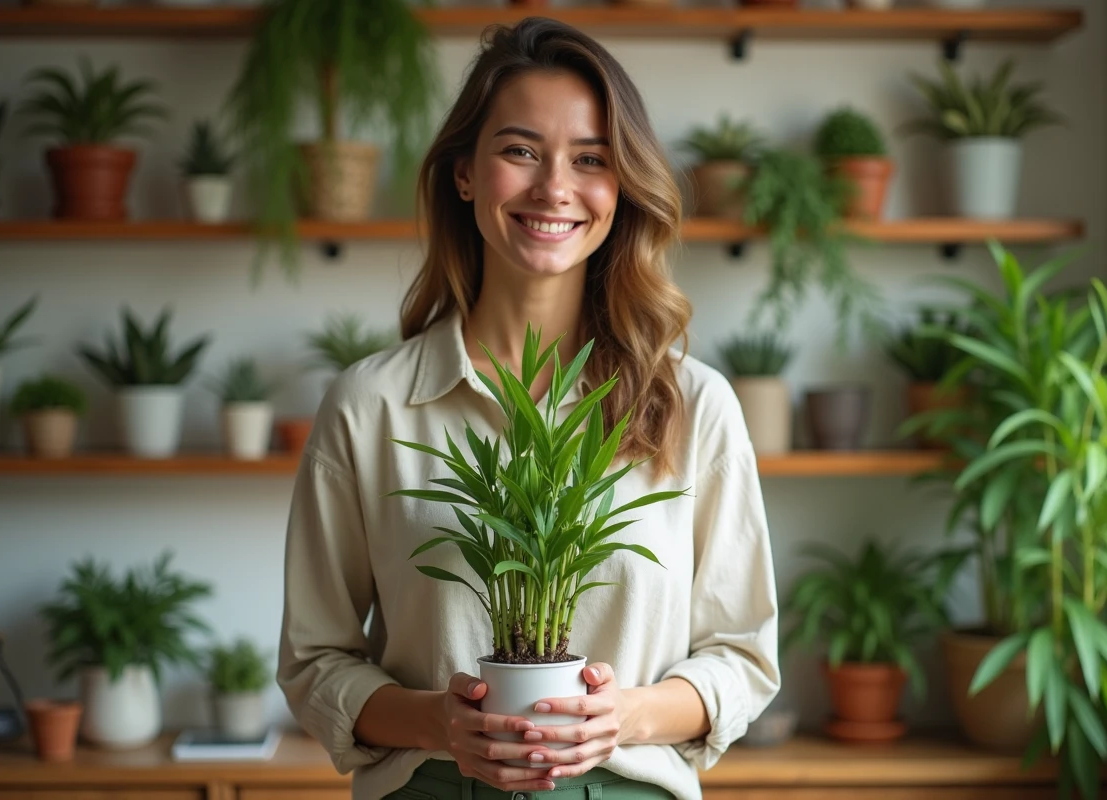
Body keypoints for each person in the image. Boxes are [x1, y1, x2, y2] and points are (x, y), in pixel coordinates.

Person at [278, 16, 780, 800]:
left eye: (591, 159)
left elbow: (742, 655)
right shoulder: (372, 406)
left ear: (621, 188)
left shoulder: (690, 404)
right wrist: (438, 722)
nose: (554, 187)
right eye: (520, 151)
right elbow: (314, 660)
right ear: (465, 173)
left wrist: (624, 716)